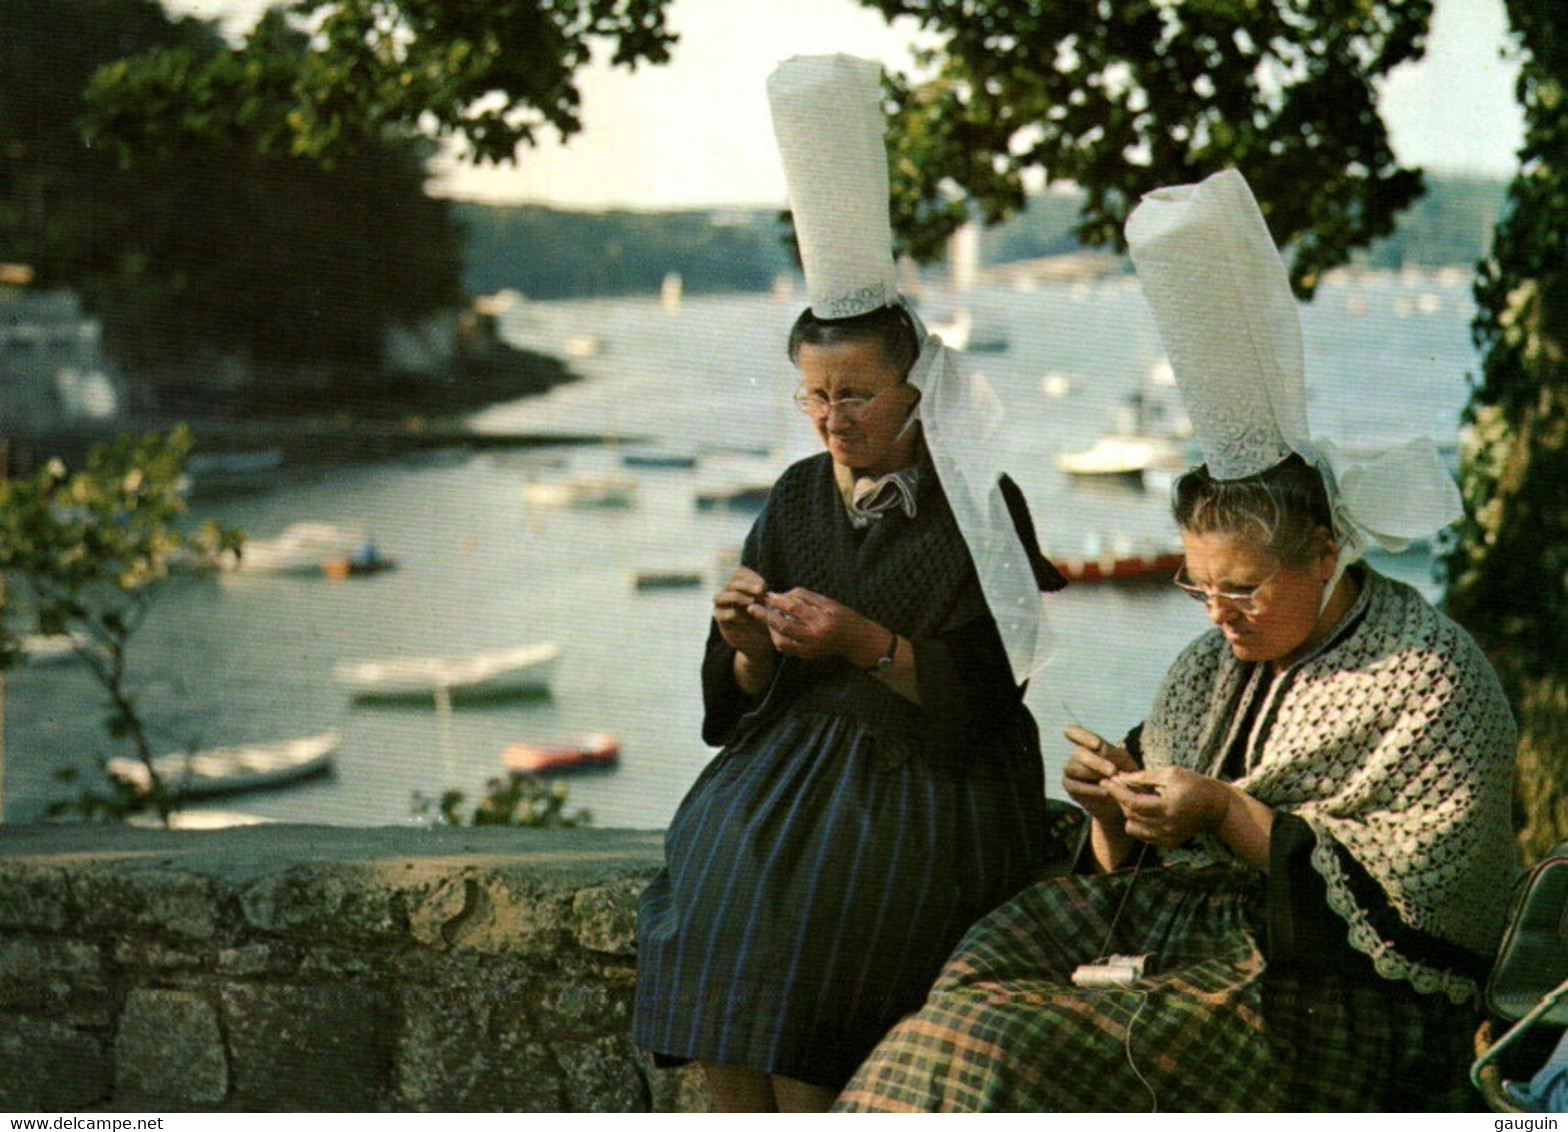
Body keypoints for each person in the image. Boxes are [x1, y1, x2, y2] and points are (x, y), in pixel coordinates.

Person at [834, 170, 1520, 1112]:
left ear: (1323, 554)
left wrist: (1225, 816)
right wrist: (1116, 804)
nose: (1215, 614)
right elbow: (1135, 855)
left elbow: (1423, 910)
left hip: (1329, 990)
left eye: (1241, 589)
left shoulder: (1427, 673)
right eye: (1196, 584)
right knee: (963, 984)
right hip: (1173, 932)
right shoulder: (1206, 668)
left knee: (993, 1046)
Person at [632, 56, 1065, 1113]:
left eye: (857, 396)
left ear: (918, 394)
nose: (833, 419)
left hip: (930, 781)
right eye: (815, 396)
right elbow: (730, 698)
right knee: (715, 883)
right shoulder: (792, 495)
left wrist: (864, 640)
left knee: (825, 922)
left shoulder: (979, 505)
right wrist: (748, 638)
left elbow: (983, 700)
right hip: (791, 768)